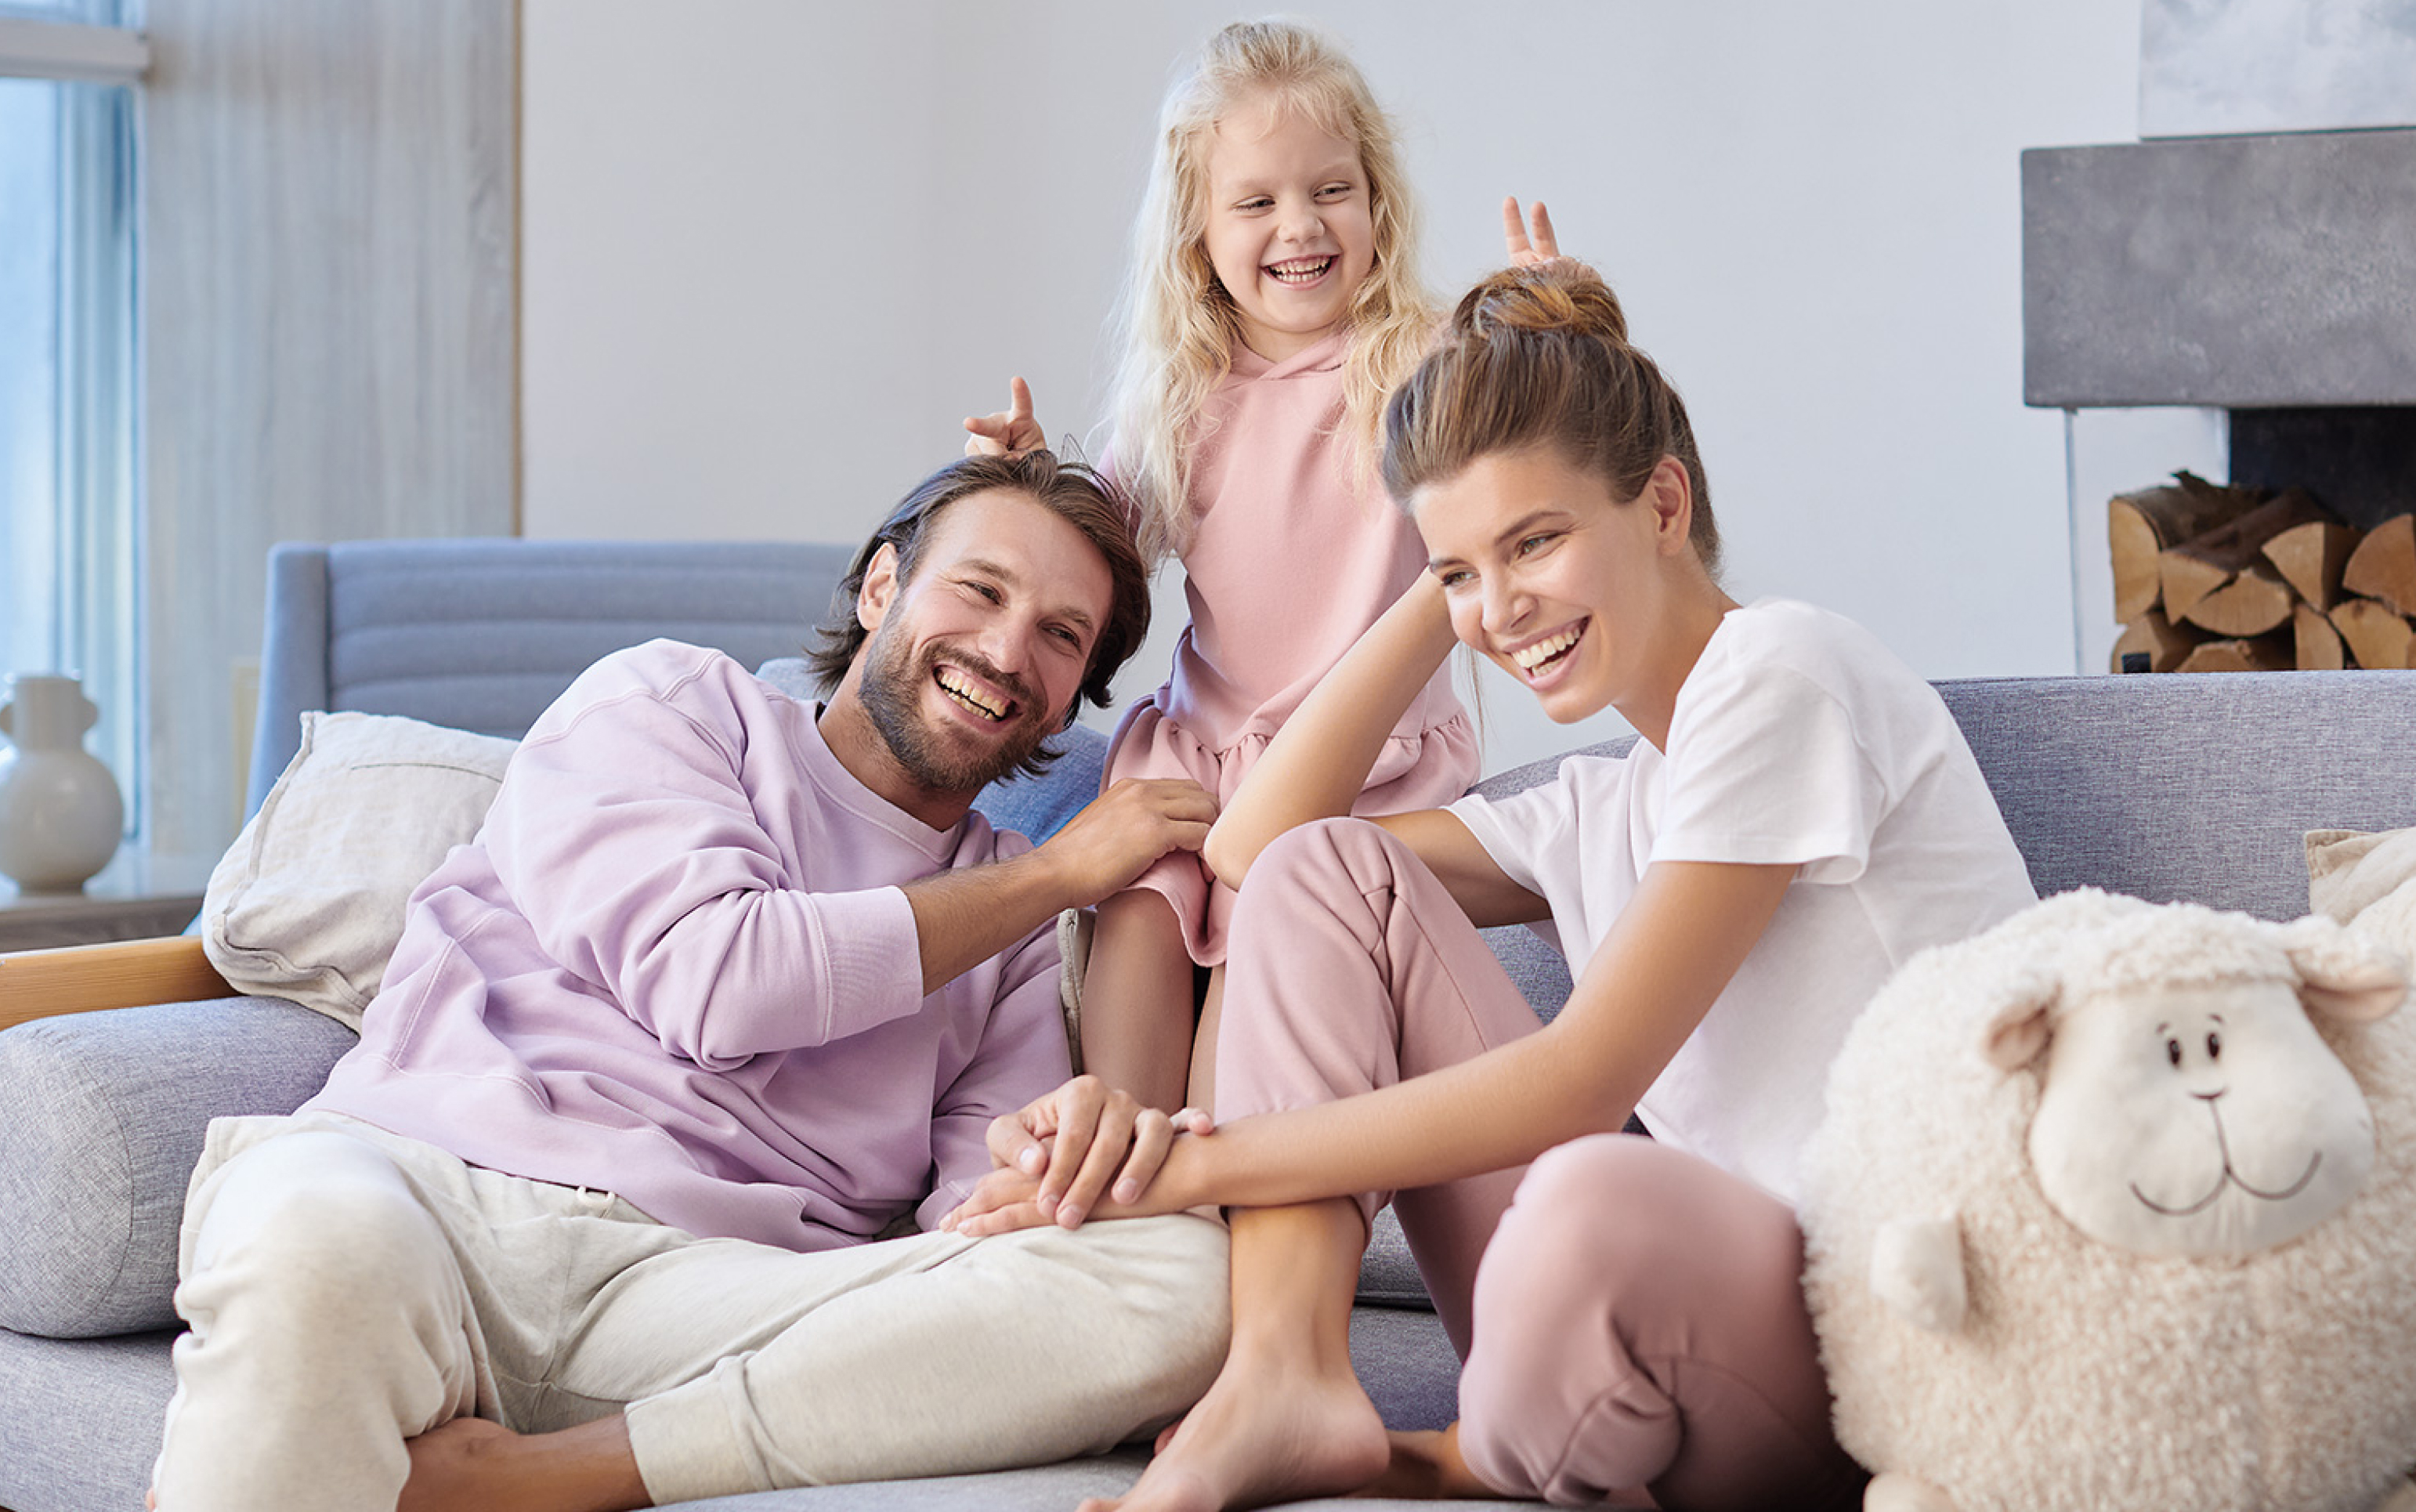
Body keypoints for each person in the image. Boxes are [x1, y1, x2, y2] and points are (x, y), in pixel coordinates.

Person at [946, 262, 2040, 1512]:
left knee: (1595, 1200)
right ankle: (1286, 1377)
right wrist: (1451, 576)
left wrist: (1185, 1164)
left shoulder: (1781, 674)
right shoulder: (1606, 802)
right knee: (1325, 871)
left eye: (1539, 541)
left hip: (1896, 1350)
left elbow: (1583, 1081)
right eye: (1460, 571)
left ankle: (1470, 1453)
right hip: (1676, 1355)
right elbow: (1257, 848)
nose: (1503, 610)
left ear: (1663, 502)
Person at [147, 452, 1232, 1512]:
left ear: (1067, 705)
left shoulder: (1023, 934)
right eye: (980, 588)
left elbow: (972, 1228)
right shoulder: (670, 704)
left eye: (1060, 635)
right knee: (316, 1250)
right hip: (433, 1198)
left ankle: (538, 1480)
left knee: (1177, 1278)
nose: (1005, 650)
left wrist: (1043, 1169)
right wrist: (1058, 873)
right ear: (881, 586)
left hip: (708, 1295)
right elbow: (720, 983)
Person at [964, 19, 1479, 1116]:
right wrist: (1024, 490)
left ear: (1377, 203)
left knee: (1266, 937)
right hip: (1198, 753)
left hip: (1354, 773)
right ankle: (1112, 1160)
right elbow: (1092, 559)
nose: (1301, 226)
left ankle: (1200, 1181)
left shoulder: (1429, 366)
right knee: (1139, 903)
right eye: (1256, 202)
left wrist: (1559, 332)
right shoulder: (1180, 400)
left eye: (1332, 190)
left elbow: (1540, 450)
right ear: (1197, 234)